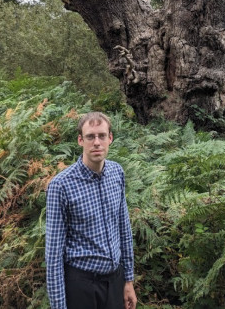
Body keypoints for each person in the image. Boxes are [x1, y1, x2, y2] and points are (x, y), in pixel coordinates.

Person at [45, 112, 137, 309]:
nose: (97, 142)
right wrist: (59, 306)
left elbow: (124, 228)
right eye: (90, 136)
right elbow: (53, 254)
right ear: (80, 140)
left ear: (110, 138)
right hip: (81, 286)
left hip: (114, 281)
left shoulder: (116, 173)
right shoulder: (61, 186)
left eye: (102, 136)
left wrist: (128, 281)